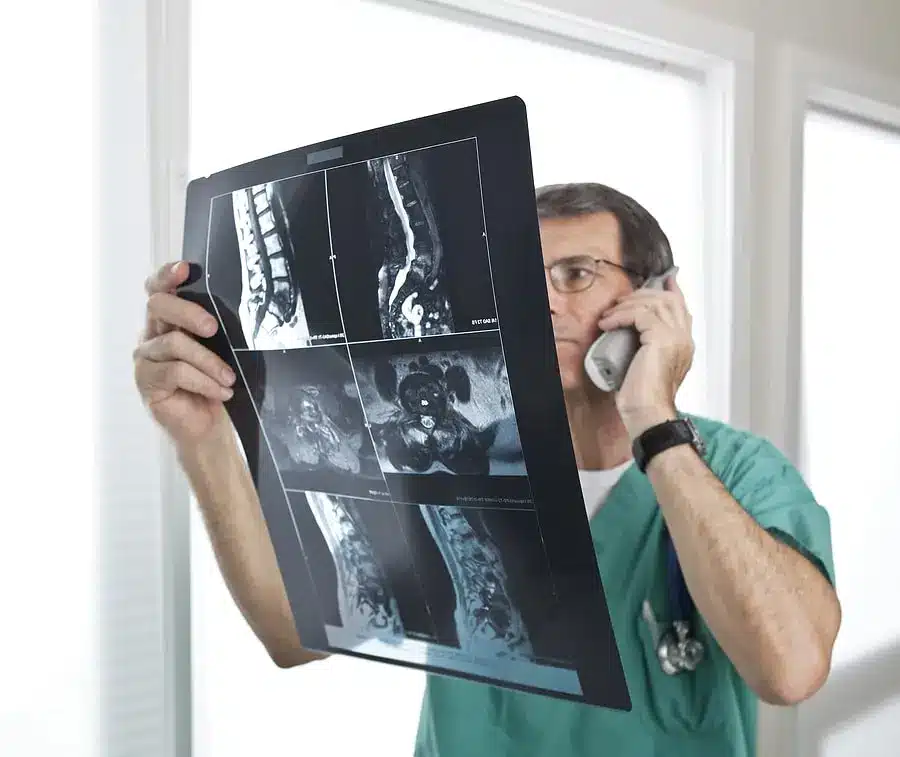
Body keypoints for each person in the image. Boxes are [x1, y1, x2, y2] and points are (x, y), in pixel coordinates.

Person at [134, 181, 841, 756]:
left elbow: (790, 666)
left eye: (577, 274)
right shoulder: (446, 456)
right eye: (520, 280)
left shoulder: (736, 473)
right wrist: (201, 440)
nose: (543, 302)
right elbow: (292, 634)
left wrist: (653, 417)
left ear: (659, 300)